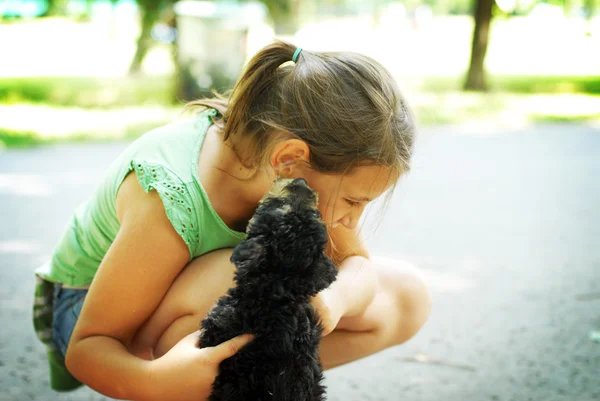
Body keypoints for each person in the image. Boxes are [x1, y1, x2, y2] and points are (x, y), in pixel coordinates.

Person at [32, 41, 431, 401]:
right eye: (352, 200)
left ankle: (262, 385)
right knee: (234, 275)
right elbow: (90, 347)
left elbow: (358, 265)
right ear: (289, 158)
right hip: (91, 318)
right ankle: (194, 383)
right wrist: (156, 380)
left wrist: (335, 299)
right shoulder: (172, 196)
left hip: (187, 311)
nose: (350, 217)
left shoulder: (297, 173)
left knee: (405, 293)